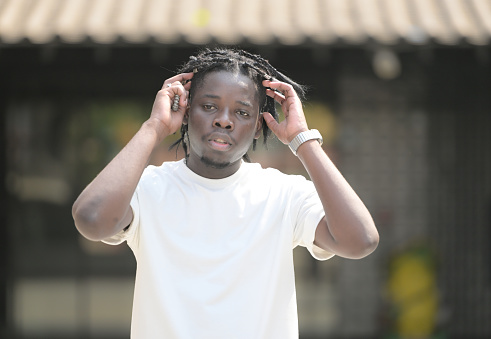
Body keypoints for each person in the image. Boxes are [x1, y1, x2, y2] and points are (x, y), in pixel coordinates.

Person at [72, 47, 379, 338]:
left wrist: (302, 139)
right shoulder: (149, 189)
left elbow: (360, 240)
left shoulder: (284, 195)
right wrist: (153, 127)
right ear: (186, 111)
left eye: (243, 112)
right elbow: (92, 219)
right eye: (208, 106)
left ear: (260, 126)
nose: (223, 120)